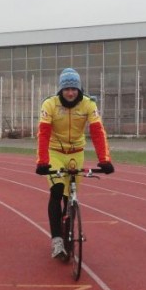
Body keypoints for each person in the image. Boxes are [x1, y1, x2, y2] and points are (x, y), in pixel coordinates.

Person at [35, 68, 114, 259]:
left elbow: (97, 132)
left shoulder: (88, 104)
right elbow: (43, 134)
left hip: (76, 152)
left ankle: (68, 222)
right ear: (61, 90)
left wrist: (104, 160)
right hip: (55, 152)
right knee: (56, 190)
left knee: (70, 196)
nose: (70, 93)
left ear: (79, 89)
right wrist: (43, 161)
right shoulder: (50, 104)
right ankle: (56, 240)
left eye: (74, 89)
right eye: (66, 88)